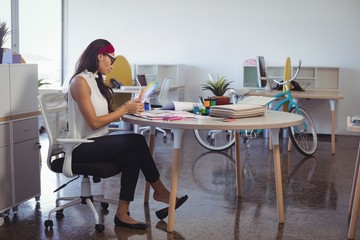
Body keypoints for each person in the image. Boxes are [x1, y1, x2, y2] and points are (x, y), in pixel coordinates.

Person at [67, 39, 187, 230]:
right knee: (137, 140)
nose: (112, 65)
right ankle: (161, 191)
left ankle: (123, 213)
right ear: (100, 56)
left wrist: (128, 108)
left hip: (96, 142)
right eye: (111, 59)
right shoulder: (79, 82)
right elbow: (94, 122)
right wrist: (124, 109)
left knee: (131, 156)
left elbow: (103, 117)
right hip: (79, 147)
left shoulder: (95, 81)